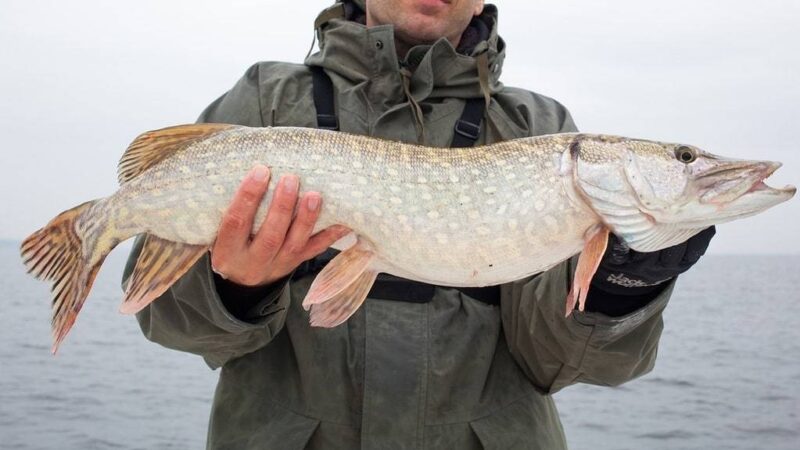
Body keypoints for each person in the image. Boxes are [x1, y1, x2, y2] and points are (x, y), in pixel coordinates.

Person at [125, 1, 714, 448]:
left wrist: (620, 287)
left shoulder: (540, 129)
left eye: (681, 159)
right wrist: (236, 288)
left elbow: (563, 362)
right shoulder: (265, 100)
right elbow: (170, 323)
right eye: (684, 160)